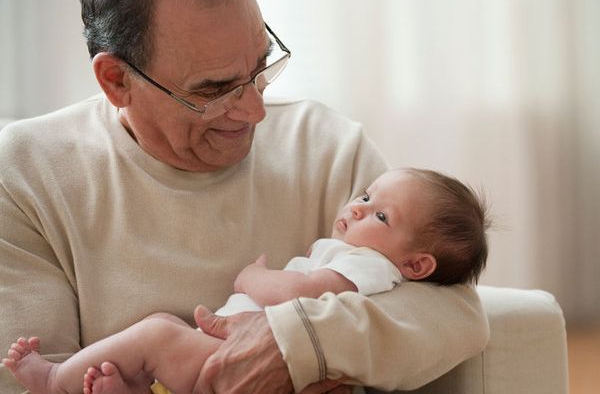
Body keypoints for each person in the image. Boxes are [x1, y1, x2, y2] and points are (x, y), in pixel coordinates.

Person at [0, 0, 490, 393]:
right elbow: (30, 379)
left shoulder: (326, 145)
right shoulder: (25, 171)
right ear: (117, 80)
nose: (256, 111)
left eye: (260, 67)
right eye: (216, 88)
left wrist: (295, 347)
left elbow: (456, 315)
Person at [2, 168, 490, 394]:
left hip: (234, 362)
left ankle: (53, 381)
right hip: (225, 357)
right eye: (365, 195)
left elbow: (302, 293)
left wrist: (253, 277)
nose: (358, 206)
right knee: (156, 332)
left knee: (156, 333)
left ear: (418, 265)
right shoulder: (367, 257)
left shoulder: (370, 265)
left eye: (380, 214)